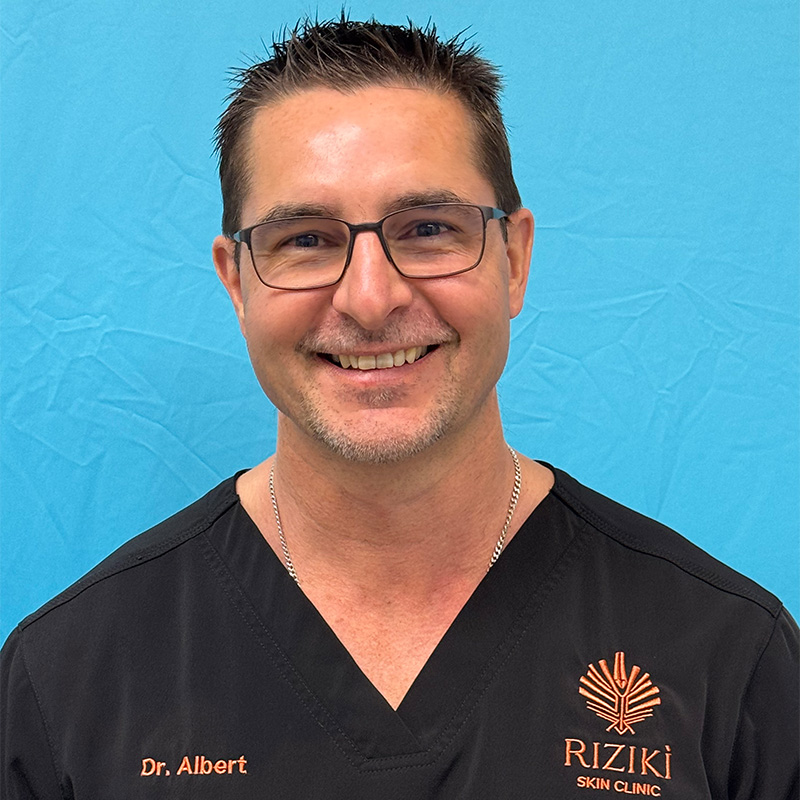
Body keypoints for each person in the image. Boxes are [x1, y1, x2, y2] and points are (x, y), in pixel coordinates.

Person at [1, 16, 797, 799]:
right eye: (306, 239)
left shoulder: (728, 656)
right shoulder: (68, 675)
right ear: (237, 282)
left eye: (427, 229)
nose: (370, 298)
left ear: (515, 258)